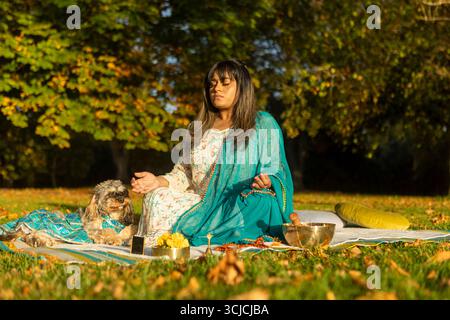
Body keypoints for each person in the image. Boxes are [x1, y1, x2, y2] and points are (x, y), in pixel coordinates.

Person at [131, 59, 294, 246]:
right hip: (199, 203)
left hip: (236, 203)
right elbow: (183, 174)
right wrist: (156, 181)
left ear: (243, 88)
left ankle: (196, 235)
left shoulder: (262, 123)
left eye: (225, 83)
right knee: (157, 196)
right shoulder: (199, 129)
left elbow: (275, 168)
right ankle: (178, 238)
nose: (216, 88)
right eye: (212, 83)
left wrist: (268, 181)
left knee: (261, 203)